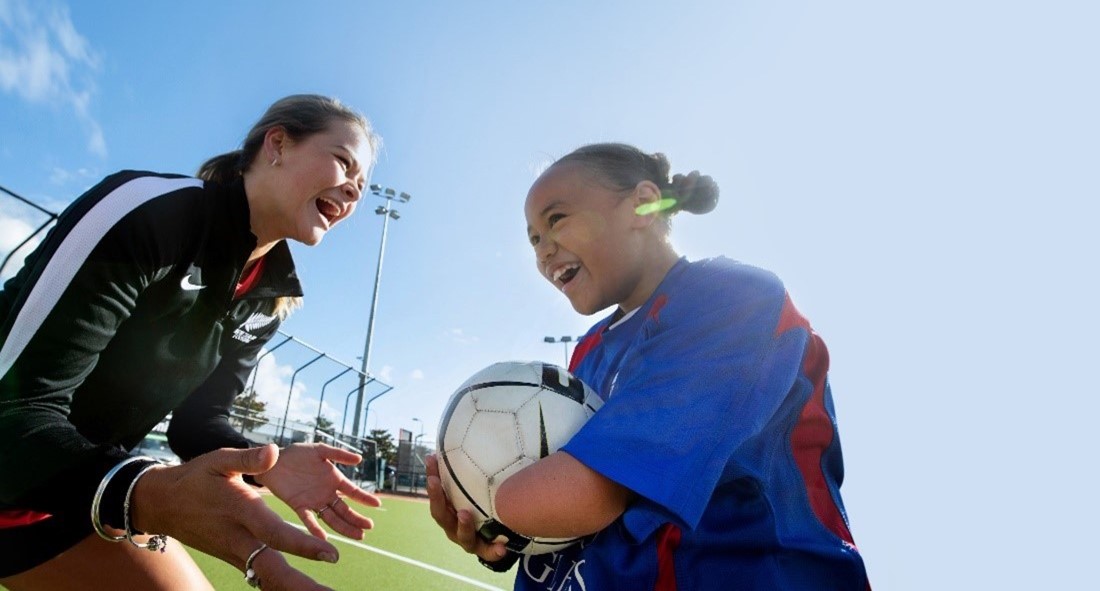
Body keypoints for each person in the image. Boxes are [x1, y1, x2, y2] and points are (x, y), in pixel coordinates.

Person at [427, 143, 871, 589]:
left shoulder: (732, 298)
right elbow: (564, 523)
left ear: (642, 204)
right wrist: (499, 540)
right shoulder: (588, 351)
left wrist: (494, 504)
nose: (543, 250)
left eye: (556, 219)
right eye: (534, 239)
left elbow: (581, 495)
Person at [0, 94, 383, 591]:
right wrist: (145, 491)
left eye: (364, 186)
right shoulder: (151, 212)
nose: (354, 190)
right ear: (278, 144)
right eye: (343, 161)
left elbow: (196, 426)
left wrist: (268, 463)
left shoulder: (270, 300)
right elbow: (14, 407)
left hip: (65, 495)